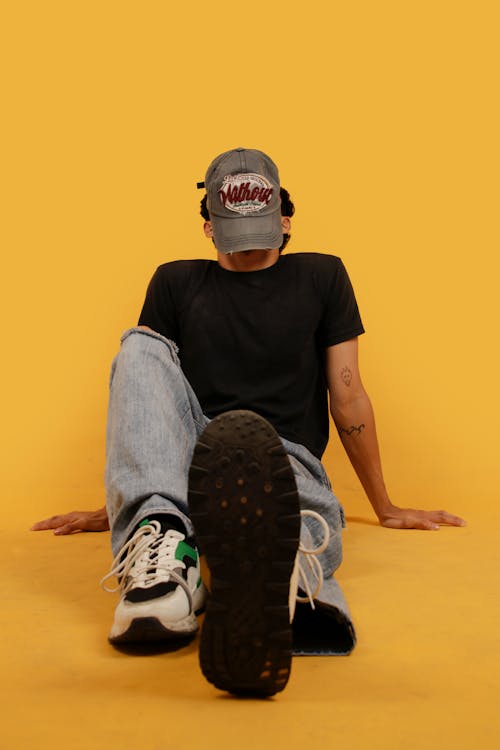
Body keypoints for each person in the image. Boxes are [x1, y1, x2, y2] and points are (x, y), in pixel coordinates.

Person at [32, 148, 465, 697]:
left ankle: (275, 581)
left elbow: (348, 393)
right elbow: (147, 398)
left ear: (286, 221)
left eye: (263, 226)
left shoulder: (322, 275)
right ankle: (164, 547)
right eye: (233, 229)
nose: (250, 243)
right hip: (190, 456)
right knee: (139, 347)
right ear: (209, 227)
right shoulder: (175, 282)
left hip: (283, 459)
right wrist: (125, 497)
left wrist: (387, 505)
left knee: (299, 511)